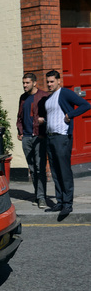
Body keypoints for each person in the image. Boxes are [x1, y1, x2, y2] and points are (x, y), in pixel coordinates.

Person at [43, 70, 91, 218]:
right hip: (50, 138)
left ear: (59, 81)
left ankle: (67, 204)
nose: (49, 84)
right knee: (56, 172)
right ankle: (60, 202)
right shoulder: (49, 98)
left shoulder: (64, 93)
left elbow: (85, 105)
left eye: (52, 81)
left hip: (62, 137)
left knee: (64, 171)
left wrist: (70, 115)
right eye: (48, 82)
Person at [16, 73, 49, 208]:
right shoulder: (23, 98)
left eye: (27, 83)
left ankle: (42, 198)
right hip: (27, 138)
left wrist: (43, 131)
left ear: (34, 83)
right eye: (23, 83)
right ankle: (37, 195)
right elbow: (19, 116)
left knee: (40, 168)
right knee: (32, 169)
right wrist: (20, 132)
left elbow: (49, 116)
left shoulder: (43, 96)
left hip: (39, 137)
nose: (24, 85)